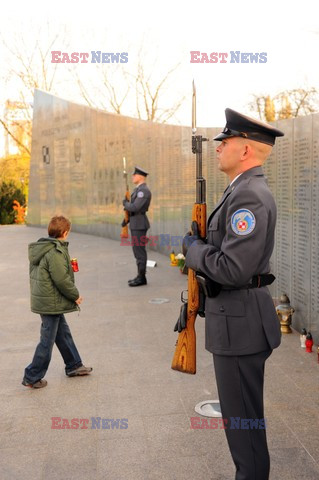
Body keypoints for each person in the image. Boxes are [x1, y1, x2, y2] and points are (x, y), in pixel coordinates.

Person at [183, 109, 284, 480]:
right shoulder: (240, 190)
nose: (218, 148)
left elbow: (233, 269)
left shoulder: (250, 196)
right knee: (241, 424)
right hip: (237, 322)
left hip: (240, 328)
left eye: (224, 142)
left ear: (244, 149)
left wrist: (193, 248)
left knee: (245, 431)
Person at [22, 215, 92, 389]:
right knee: (47, 340)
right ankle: (32, 376)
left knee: (63, 333)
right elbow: (61, 280)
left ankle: (74, 365)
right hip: (50, 302)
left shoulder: (43, 247)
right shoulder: (55, 252)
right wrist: (75, 295)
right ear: (65, 232)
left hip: (47, 300)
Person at [123, 166, 152, 287]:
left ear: (140, 176)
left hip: (139, 224)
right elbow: (132, 209)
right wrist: (124, 221)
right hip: (135, 223)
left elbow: (135, 207)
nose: (133, 177)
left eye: (134, 175)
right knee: (137, 251)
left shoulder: (143, 191)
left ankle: (142, 277)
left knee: (139, 251)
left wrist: (125, 203)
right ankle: (140, 275)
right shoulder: (137, 190)